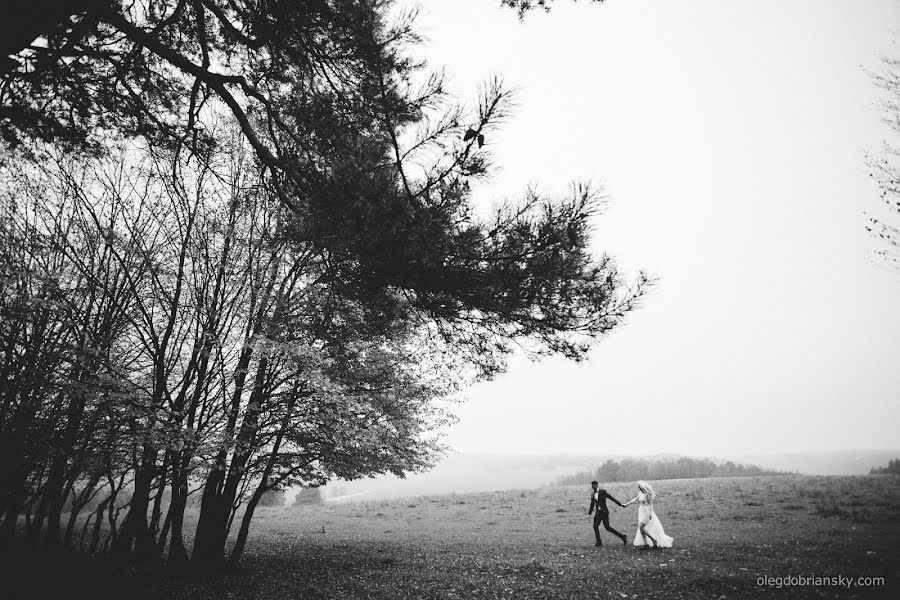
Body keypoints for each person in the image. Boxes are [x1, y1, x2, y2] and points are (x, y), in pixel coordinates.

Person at [622, 480, 674, 548]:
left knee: (641, 527)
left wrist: (650, 513)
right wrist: (626, 504)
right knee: (641, 528)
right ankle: (645, 543)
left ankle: (653, 540)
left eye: (640, 486)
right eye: (639, 487)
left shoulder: (647, 494)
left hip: (646, 510)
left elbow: (651, 504)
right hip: (641, 511)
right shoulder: (640, 493)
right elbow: (634, 499)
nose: (639, 488)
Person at [587, 480, 627, 547]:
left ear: (596, 485)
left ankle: (622, 536)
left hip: (604, 512)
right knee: (595, 526)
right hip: (598, 513)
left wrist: (620, 504)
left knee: (607, 527)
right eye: (592, 486)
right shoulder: (593, 494)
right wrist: (589, 513)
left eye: (593, 486)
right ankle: (599, 542)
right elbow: (592, 504)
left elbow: (611, 498)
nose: (592, 487)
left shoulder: (603, 492)